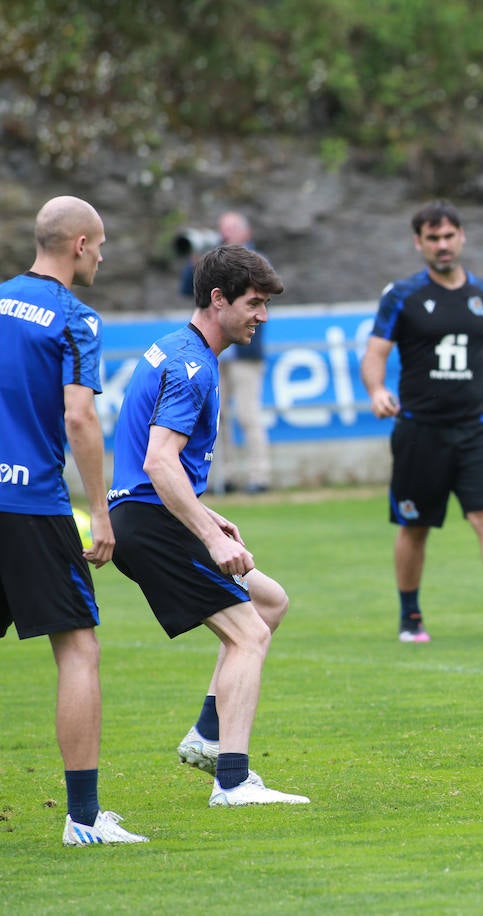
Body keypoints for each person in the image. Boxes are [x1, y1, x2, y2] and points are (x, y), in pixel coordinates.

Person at [109, 244, 309, 806]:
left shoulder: (178, 349)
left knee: (269, 601)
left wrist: (210, 515)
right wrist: (207, 534)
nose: (261, 316)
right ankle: (233, 780)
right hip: (152, 522)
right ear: (217, 300)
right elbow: (158, 462)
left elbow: (152, 464)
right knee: (249, 635)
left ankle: (207, 734)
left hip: (147, 512)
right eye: (254, 303)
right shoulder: (193, 367)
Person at [0, 197, 147, 845]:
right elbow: (81, 418)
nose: (105, 255)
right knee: (79, 648)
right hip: (31, 504)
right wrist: (100, 510)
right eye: (103, 244)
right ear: (80, 244)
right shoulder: (74, 319)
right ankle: (83, 821)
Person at [361, 200, 483, 643]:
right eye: (432, 238)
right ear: (418, 243)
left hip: (476, 429)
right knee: (415, 525)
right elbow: (374, 354)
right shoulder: (401, 295)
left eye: (449, 236)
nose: (442, 246)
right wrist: (377, 390)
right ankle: (411, 616)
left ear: (462, 236)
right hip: (420, 430)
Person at [181, 211, 271, 495]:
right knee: (218, 417)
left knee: (247, 413)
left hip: (246, 353)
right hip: (217, 352)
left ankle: (259, 475)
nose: (225, 234)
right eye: (222, 229)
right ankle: (226, 476)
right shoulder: (215, 263)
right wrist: (198, 260)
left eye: (231, 229)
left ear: (246, 232)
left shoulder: (257, 263)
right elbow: (188, 289)